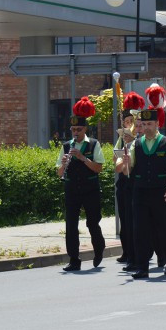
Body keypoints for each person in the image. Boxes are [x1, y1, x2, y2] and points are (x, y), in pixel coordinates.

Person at [118, 101, 166, 278]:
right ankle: (142, 267)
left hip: (160, 192)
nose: (146, 127)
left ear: (157, 124)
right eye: (143, 125)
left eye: (149, 124)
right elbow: (127, 170)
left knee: (164, 229)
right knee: (140, 230)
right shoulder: (135, 144)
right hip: (141, 192)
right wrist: (126, 163)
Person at [56, 97, 105, 272]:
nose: (75, 132)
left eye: (79, 129)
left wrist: (83, 158)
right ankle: (74, 259)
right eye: (73, 129)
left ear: (85, 129)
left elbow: (99, 168)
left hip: (90, 189)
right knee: (71, 225)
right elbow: (59, 173)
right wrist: (63, 163)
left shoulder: (93, 144)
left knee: (92, 223)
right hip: (72, 189)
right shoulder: (66, 146)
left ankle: (99, 249)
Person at [114, 91, 144, 270]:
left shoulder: (140, 139)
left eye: (132, 122)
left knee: (138, 222)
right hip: (124, 183)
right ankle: (128, 253)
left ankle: (139, 255)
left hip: (138, 183)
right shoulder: (121, 139)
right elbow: (115, 162)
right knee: (125, 221)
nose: (129, 125)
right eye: (126, 122)